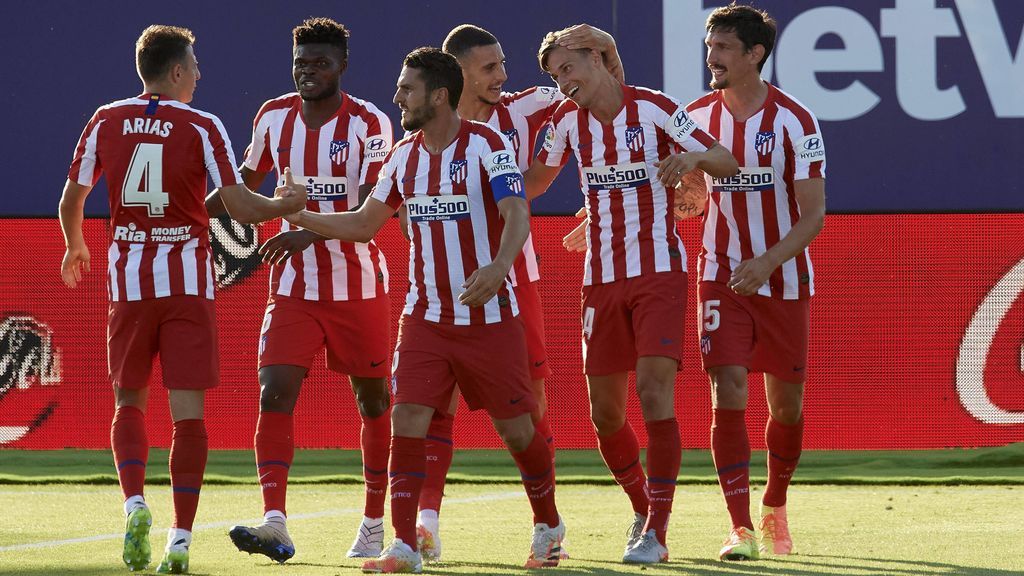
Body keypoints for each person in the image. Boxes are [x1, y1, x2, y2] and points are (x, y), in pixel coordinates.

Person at [277, 47, 566, 573]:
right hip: (425, 318)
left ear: (437, 95)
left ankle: (548, 524)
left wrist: (500, 267)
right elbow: (365, 223)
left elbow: (516, 212)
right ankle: (404, 544)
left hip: (488, 320)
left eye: (406, 89)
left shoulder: (489, 146)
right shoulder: (403, 157)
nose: (397, 97)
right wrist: (304, 215)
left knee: (518, 430)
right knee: (406, 418)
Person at [58, 25, 306, 575]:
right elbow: (239, 205)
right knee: (188, 418)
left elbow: (72, 196)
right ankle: (179, 541)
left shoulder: (105, 119)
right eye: (194, 65)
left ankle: (134, 504)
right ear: (174, 72)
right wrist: (284, 204)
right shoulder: (202, 125)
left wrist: (75, 245)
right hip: (186, 287)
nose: (199, 74)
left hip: (128, 284)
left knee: (129, 403)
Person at [525, 27, 739, 564]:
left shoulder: (656, 109)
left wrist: (691, 162)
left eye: (569, 68)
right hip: (599, 278)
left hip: (658, 272)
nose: (563, 82)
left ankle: (658, 534)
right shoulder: (563, 123)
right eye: (555, 75)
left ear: (596, 59)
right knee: (605, 414)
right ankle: (643, 510)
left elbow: (726, 161)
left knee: (653, 391)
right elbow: (531, 183)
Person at [411, 23, 623, 562]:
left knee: (530, 405)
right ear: (452, 77)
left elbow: (606, 96)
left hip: (514, 279)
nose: (504, 76)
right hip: (441, 286)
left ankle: (545, 528)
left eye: (504, 63)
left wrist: (602, 205)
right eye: (489, 68)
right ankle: (424, 523)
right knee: (432, 400)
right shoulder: (422, 131)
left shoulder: (530, 107)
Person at [206, 17, 395, 563]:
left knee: (374, 399)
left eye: (319, 62)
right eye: (300, 62)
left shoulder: (368, 123)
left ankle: (375, 519)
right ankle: (275, 522)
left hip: (357, 285)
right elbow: (241, 188)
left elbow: (373, 209)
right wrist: (188, 212)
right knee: (273, 392)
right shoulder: (272, 117)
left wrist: (303, 232)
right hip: (292, 289)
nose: (307, 71)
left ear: (341, 66)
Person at [687, 3, 826, 561]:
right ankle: (740, 527)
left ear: (754, 55)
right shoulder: (693, 116)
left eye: (723, 48)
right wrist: (683, 200)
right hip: (720, 274)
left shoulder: (797, 120)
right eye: (709, 46)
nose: (711, 57)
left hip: (783, 278)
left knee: (786, 407)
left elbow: (814, 214)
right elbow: (679, 192)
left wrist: (767, 261)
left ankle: (775, 506)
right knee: (730, 391)